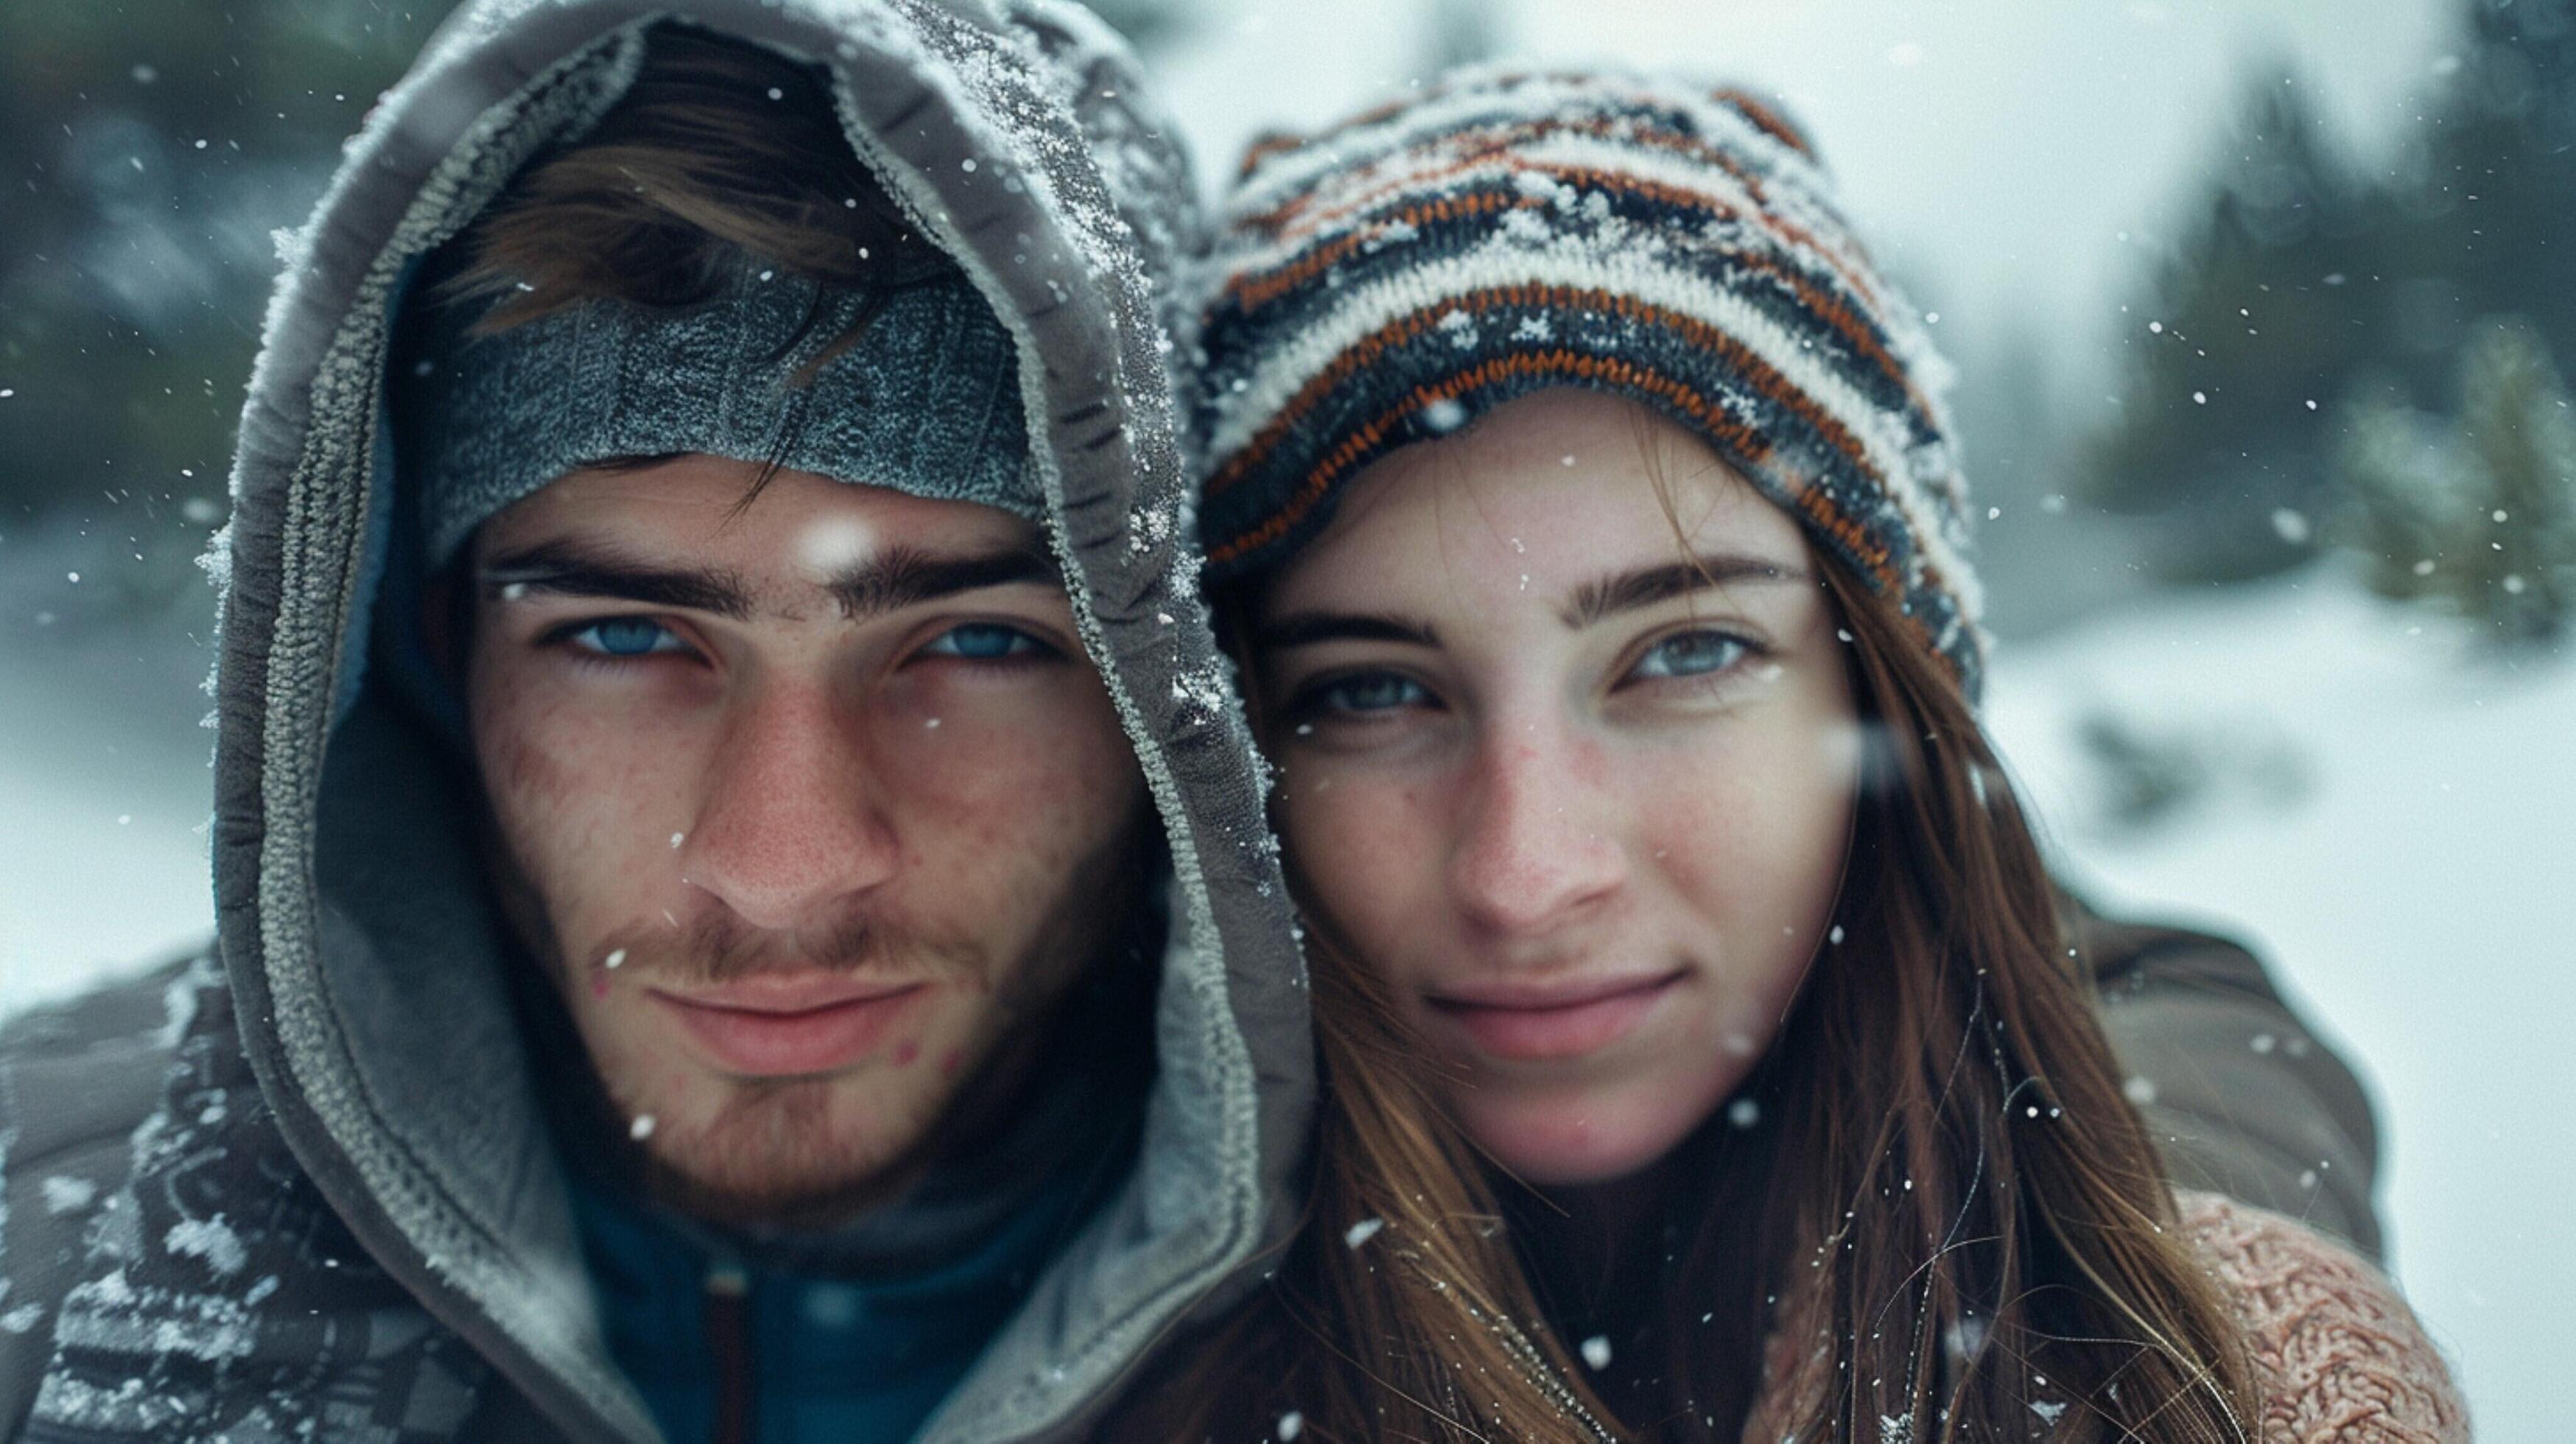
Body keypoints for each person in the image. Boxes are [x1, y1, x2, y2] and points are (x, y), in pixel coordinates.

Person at [0, 4, 1316, 1440]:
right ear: (434, 661)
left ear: (1164, 697)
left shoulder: (1441, 1325)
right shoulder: (37, 1256)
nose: (782, 862)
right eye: (622, 636)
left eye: (979, 641)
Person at [1133, 69, 2466, 1440]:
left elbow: (2180, 1047)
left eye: (1683, 656)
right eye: (1369, 692)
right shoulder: (1102, 1274)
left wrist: (2191, 1325)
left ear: (1876, 700)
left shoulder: (2071, 1040)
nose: (1525, 878)